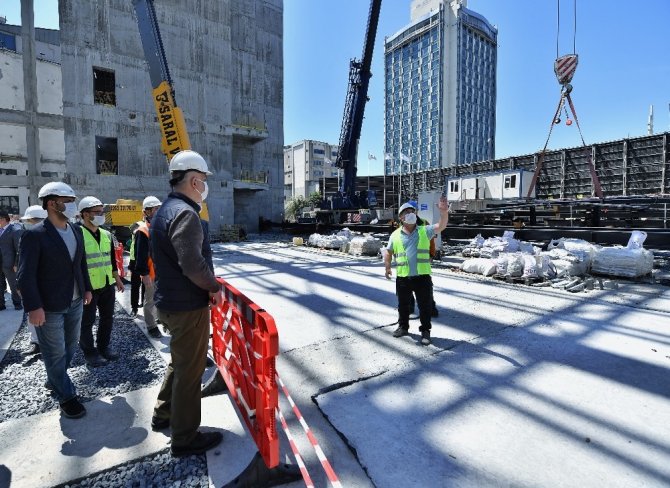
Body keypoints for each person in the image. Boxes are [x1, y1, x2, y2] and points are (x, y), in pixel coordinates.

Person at [150, 150, 224, 457]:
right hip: (187, 307)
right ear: (195, 180)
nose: (205, 186)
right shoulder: (186, 213)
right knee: (190, 373)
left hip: (169, 302)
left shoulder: (165, 210)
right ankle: (184, 438)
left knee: (179, 363)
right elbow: (193, 265)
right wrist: (214, 287)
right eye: (204, 181)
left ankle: (162, 414)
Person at [16, 181, 93, 419]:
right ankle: (66, 396)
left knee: (70, 347)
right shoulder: (35, 235)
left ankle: (56, 378)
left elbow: (80, 264)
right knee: (55, 351)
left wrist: (87, 289)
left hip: (76, 301)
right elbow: (24, 275)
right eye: (67, 202)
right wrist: (33, 307)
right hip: (49, 306)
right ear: (52, 203)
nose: (72, 206)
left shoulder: (77, 231)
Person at [384, 197, 449, 345]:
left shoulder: (424, 230)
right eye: (406, 212)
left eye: (412, 211)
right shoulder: (395, 235)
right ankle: (403, 327)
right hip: (403, 277)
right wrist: (387, 267)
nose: (410, 213)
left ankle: (425, 331)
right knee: (403, 305)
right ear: (401, 217)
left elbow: (441, 226)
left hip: (422, 277)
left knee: (425, 306)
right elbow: (388, 251)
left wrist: (444, 213)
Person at [76, 196, 125, 366]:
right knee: (86, 322)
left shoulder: (105, 234)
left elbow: (111, 259)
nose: (101, 215)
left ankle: (103, 347)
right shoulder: (77, 234)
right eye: (97, 212)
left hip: (106, 285)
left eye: (101, 212)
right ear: (85, 214)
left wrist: (117, 278)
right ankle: (90, 353)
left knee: (107, 318)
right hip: (88, 288)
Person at [18, 205, 48, 354]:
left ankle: (48, 345)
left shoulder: (51, 237)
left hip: (45, 283)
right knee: (31, 313)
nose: (29, 223)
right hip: (30, 283)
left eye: (31, 220)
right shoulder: (27, 235)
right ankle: (36, 342)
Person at [134, 196, 162, 339]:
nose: (158, 212)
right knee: (150, 301)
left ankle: (160, 320)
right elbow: (141, 256)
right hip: (150, 273)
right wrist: (144, 275)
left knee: (161, 299)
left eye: (159, 208)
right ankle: (151, 326)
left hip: (163, 273)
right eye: (155, 209)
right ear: (147, 212)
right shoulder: (143, 231)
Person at [0, 210, 23, 311]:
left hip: (10, 264)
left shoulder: (14, 230)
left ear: (4, 219)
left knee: (13, 285)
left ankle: (17, 303)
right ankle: (1, 304)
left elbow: (19, 249)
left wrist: (16, 263)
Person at [127, 220, 145, 317]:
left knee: (146, 285)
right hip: (135, 262)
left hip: (146, 261)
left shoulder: (150, 225)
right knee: (135, 286)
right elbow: (132, 230)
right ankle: (134, 307)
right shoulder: (137, 224)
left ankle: (143, 303)